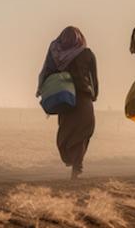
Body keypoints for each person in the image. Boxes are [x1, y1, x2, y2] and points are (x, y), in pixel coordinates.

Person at [37, 27, 98, 180]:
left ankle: (75, 164)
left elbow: (46, 73)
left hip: (65, 99)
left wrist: (42, 90)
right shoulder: (87, 53)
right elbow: (94, 79)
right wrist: (95, 95)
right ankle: (77, 165)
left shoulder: (56, 54)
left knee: (67, 133)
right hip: (83, 99)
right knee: (83, 132)